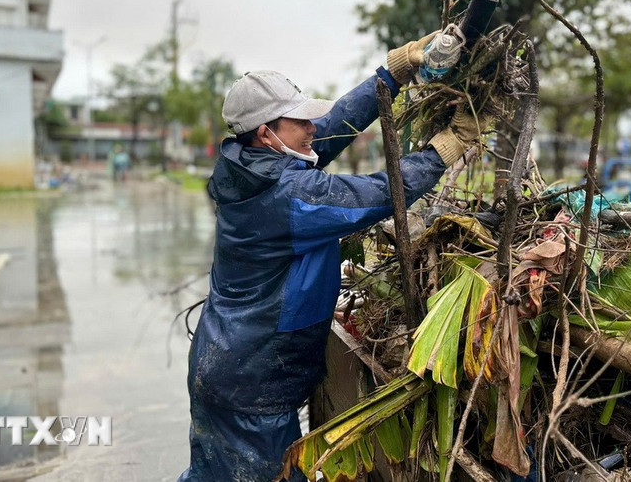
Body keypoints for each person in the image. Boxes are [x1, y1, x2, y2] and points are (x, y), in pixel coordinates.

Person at [178, 33, 486, 481]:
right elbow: (381, 193)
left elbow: (331, 130)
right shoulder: (289, 195)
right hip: (253, 384)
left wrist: (392, 73)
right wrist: (446, 148)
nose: (312, 129)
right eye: (300, 121)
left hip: (224, 364)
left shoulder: (248, 166)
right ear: (266, 133)